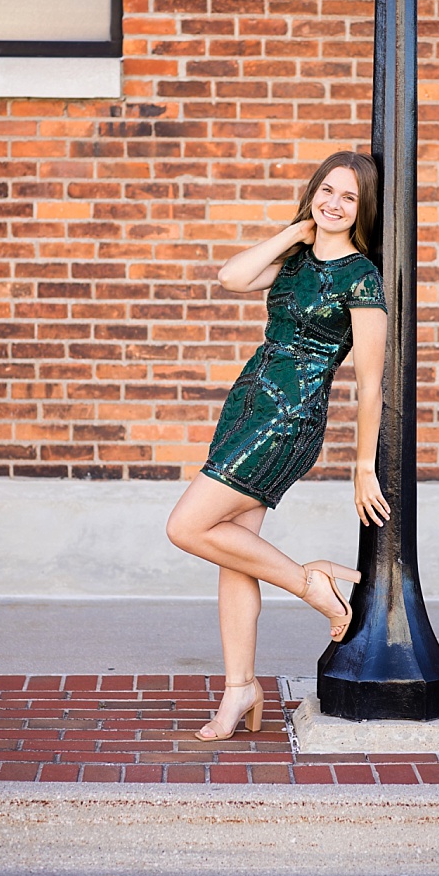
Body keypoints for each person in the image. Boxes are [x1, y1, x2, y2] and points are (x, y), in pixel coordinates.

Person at [164, 150, 396, 742]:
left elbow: (371, 383)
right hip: (248, 404)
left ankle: (311, 583)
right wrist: (294, 231)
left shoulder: (361, 277)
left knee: (186, 526)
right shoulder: (292, 261)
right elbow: (232, 277)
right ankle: (240, 687)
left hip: (289, 418)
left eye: (348, 197)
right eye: (326, 191)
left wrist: (362, 467)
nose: (334, 204)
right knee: (232, 550)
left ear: (362, 208)